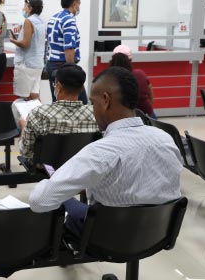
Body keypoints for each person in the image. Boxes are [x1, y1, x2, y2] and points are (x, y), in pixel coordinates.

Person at [29, 67, 182, 238]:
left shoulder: (99, 153)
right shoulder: (166, 139)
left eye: (93, 103)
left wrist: (60, 186)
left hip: (108, 238)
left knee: (64, 203)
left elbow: (38, 201)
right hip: (156, 234)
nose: (92, 109)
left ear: (105, 100)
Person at [17, 65, 98, 161]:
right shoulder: (95, 113)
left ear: (58, 87)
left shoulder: (39, 113)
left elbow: (25, 151)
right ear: (82, 88)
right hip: (82, 167)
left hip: (47, 169)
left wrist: (23, 127)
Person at [45, 0, 87, 104]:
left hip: (51, 65)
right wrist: (73, 72)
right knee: (80, 103)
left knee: (57, 103)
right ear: (74, 4)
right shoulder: (69, 20)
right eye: (79, 4)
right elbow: (69, 47)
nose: (78, 8)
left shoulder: (54, 18)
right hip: (63, 67)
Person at [9, 0, 45, 101]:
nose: (23, 8)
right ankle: (39, 117)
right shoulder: (41, 21)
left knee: (23, 97)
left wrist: (12, 40)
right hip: (37, 65)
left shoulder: (28, 21)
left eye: (25, 6)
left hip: (26, 65)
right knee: (35, 95)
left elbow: (25, 44)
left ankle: (24, 117)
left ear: (30, 8)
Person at [109, 44, 156, 119]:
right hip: (147, 116)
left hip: (122, 119)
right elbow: (150, 90)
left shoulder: (108, 78)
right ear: (130, 60)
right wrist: (149, 106)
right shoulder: (140, 74)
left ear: (112, 60)